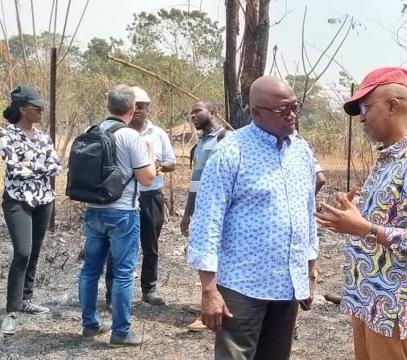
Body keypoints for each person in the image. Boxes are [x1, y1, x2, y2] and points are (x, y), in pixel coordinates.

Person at [315, 67, 407, 360]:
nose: (362, 117)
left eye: (366, 107)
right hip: (368, 300)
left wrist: (364, 228)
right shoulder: (386, 161)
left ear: (392, 105)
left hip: (393, 309)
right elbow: (383, 220)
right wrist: (353, 214)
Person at [187, 76, 318, 359]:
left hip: (287, 285)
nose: (292, 115)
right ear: (257, 113)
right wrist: (209, 289)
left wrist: (309, 270)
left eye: (295, 107)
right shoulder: (231, 152)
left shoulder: (301, 151)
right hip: (242, 287)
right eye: (283, 110)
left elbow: (307, 214)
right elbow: (206, 222)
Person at [78, 84, 156, 347]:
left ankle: (89, 325)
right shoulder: (130, 136)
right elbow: (147, 179)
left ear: (107, 106)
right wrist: (151, 156)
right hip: (122, 212)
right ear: (132, 109)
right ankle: (121, 332)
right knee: (123, 273)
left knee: (90, 270)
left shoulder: (92, 130)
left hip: (94, 211)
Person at [105, 86, 176, 307]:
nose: (137, 111)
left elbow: (171, 162)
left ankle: (149, 289)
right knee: (116, 247)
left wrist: (158, 166)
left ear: (148, 109)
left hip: (150, 195)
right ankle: (111, 293)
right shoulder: (115, 132)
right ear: (128, 108)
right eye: (134, 107)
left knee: (150, 244)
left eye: (142, 107)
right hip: (122, 198)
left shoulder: (159, 134)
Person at [0, 86, 61, 335]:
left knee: (34, 251)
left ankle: (26, 299)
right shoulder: (7, 136)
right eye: (38, 108)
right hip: (17, 200)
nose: (42, 112)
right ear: (24, 110)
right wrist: (40, 166)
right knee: (22, 252)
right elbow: (14, 169)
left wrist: (31, 165)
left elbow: (56, 167)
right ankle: (11, 311)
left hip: (43, 200)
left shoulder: (43, 137)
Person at [180, 99, 229, 332]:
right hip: (200, 208)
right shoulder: (201, 143)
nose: (193, 116)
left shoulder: (227, 140)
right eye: (191, 113)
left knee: (215, 258)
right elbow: (195, 182)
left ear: (213, 112)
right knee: (203, 256)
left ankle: (208, 311)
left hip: (219, 210)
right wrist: (188, 213)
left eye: (197, 111)